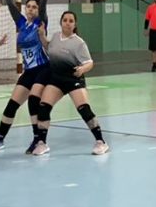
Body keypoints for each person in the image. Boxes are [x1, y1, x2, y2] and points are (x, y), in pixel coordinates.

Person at [0, 0, 54, 153]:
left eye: (35, 7)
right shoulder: (22, 23)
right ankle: (0, 139)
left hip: (43, 69)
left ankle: (37, 140)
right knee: (12, 105)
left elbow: (43, 10)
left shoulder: (41, 23)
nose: (31, 9)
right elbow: (10, 3)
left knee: (34, 100)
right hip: (28, 71)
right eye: (29, 6)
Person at [31, 11, 110, 156]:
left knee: (84, 109)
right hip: (57, 79)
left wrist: (82, 69)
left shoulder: (78, 43)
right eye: (65, 20)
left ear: (75, 24)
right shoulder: (55, 37)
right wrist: (42, 35)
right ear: (61, 22)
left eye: (71, 21)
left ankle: (101, 142)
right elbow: (49, 48)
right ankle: (42, 143)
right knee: (43, 107)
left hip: (73, 79)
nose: (67, 23)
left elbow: (89, 62)